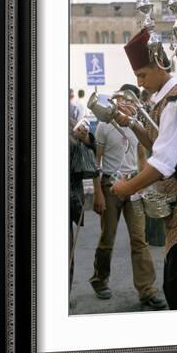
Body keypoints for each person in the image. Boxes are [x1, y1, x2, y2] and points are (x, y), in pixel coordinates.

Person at [111, 28, 177, 310]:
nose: (140, 83)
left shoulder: (174, 101)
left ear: (160, 65)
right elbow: (158, 143)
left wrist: (126, 189)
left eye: (143, 75)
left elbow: (162, 163)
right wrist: (133, 123)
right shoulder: (162, 98)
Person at [89, 83, 166, 310]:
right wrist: (98, 194)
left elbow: (142, 157)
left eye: (132, 101)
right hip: (110, 187)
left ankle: (147, 291)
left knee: (139, 239)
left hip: (133, 186)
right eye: (124, 99)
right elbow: (97, 162)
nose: (127, 104)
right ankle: (100, 279)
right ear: (117, 100)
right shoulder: (104, 126)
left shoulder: (136, 124)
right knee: (108, 238)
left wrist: (143, 184)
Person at [69, 115, 98, 289]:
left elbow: (91, 147)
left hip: (68, 196)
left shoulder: (71, 121)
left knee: (65, 252)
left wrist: (85, 137)